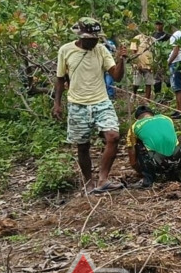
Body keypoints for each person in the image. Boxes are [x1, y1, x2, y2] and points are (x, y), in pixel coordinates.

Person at [53, 17, 127, 194]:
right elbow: (60, 78)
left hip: (101, 101)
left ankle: (103, 179)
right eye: (90, 38)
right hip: (77, 104)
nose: (94, 41)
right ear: (80, 36)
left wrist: (121, 60)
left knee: (113, 136)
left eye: (96, 38)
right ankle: (89, 182)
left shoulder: (101, 51)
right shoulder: (66, 50)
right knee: (83, 145)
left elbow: (116, 76)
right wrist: (57, 104)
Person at [126, 105, 181, 188]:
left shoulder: (135, 126)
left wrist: (140, 171)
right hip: (178, 158)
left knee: (136, 144)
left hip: (156, 162)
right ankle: (176, 171)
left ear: (137, 119)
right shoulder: (166, 118)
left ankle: (149, 179)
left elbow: (133, 161)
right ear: (152, 114)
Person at [129, 31, 156, 100]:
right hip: (138, 65)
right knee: (136, 83)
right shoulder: (136, 38)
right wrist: (137, 63)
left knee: (148, 83)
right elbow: (133, 52)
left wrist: (153, 64)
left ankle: (147, 100)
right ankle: (134, 94)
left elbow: (155, 53)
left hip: (149, 65)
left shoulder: (153, 40)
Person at [167, 27, 181, 119]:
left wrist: (169, 61)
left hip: (176, 62)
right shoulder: (178, 34)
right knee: (177, 88)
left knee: (178, 88)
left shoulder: (176, 35)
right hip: (177, 62)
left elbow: (176, 50)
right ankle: (179, 110)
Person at [151, 21, 171, 95]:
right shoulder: (153, 35)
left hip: (165, 59)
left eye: (160, 24)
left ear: (163, 25)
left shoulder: (167, 36)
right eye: (157, 24)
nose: (158, 26)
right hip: (156, 59)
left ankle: (169, 94)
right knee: (157, 79)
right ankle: (157, 95)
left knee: (167, 78)